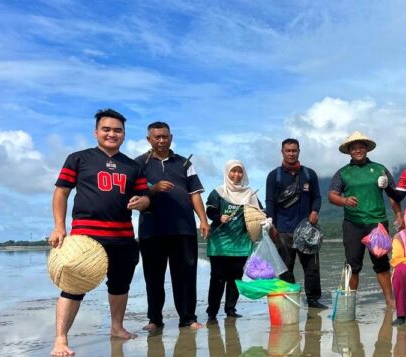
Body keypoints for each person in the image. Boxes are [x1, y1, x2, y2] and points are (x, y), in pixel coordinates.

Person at [48, 108, 150, 357]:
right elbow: (61, 192)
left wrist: (141, 202)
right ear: (96, 132)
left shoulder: (132, 166)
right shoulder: (79, 158)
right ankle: (60, 339)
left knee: (120, 285)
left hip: (123, 236)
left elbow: (146, 199)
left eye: (117, 130)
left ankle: (117, 327)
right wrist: (60, 227)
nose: (112, 134)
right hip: (86, 237)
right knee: (73, 286)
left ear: (124, 135)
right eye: (106, 129)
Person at [135, 121, 209, 331]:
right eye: (156, 137)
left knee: (185, 276)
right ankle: (155, 319)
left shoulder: (184, 163)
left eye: (165, 136)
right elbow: (135, 195)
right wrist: (154, 189)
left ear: (171, 137)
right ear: (149, 139)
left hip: (183, 229)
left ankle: (188, 318)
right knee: (153, 277)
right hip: (151, 230)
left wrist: (203, 220)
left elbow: (194, 193)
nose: (161, 140)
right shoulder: (139, 164)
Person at [328, 131, 402, 308]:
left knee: (382, 264)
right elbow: (332, 195)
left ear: (367, 148)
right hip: (353, 224)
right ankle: (350, 302)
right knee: (353, 265)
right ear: (349, 151)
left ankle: (390, 301)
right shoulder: (343, 172)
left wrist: (399, 215)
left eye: (361, 146)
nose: (358, 150)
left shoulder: (379, 169)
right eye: (354, 147)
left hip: (377, 223)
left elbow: (393, 194)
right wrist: (344, 201)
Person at [265, 138, 326, 309]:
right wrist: (272, 226)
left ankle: (313, 299)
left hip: (307, 230)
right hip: (283, 230)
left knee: (312, 268)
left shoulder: (309, 174)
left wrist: (315, 211)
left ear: (299, 151)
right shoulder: (274, 175)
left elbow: (318, 197)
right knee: (285, 268)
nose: (291, 153)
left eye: (294, 150)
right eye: (288, 150)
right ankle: (287, 299)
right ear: (282, 152)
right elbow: (269, 202)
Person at [204, 160, 259, 322]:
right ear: (227, 173)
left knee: (235, 279)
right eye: (233, 172)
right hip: (220, 245)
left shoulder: (250, 194)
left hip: (241, 244)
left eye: (239, 171)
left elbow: (259, 212)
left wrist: (265, 221)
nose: (236, 175)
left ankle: (230, 309)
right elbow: (210, 210)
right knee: (217, 280)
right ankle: (212, 313)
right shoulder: (218, 192)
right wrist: (218, 217)